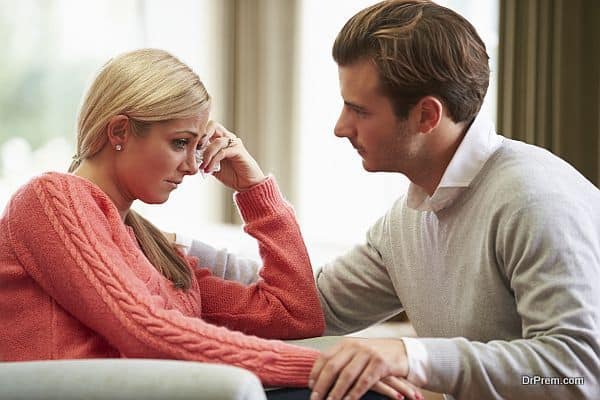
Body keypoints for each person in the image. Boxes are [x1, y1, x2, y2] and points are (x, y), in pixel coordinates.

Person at [189, 1, 600, 399]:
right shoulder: (411, 217)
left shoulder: (535, 201)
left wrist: (411, 355)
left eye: (359, 110)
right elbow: (306, 305)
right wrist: (174, 253)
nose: (339, 127)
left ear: (426, 116)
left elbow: (578, 374)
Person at [0, 48, 423, 400]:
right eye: (180, 142)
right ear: (120, 131)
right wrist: (323, 365)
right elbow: (146, 332)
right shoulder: (51, 199)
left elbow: (295, 313)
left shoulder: (153, 250)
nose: (191, 165)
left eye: (197, 145)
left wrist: (254, 190)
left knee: (365, 391)